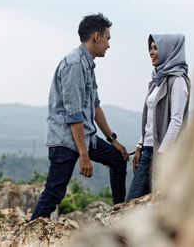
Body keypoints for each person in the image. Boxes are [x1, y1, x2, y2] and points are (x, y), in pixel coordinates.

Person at [31, 13, 128, 220]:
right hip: (67, 141)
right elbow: (73, 115)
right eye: (107, 39)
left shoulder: (88, 65)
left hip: (86, 138)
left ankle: (120, 217)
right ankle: (27, 237)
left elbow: (95, 107)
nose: (109, 45)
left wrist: (113, 140)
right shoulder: (74, 64)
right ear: (96, 37)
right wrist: (84, 156)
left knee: (118, 160)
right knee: (53, 194)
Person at [126, 34, 191, 200]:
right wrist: (140, 145)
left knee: (157, 202)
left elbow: (176, 121)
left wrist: (161, 156)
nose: (151, 52)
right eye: (151, 48)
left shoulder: (178, 81)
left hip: (163, 153)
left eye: (156, 48)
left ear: (169, 51)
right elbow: (150, 119)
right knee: (132, 202)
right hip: (148, 150)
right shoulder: (157, 79)